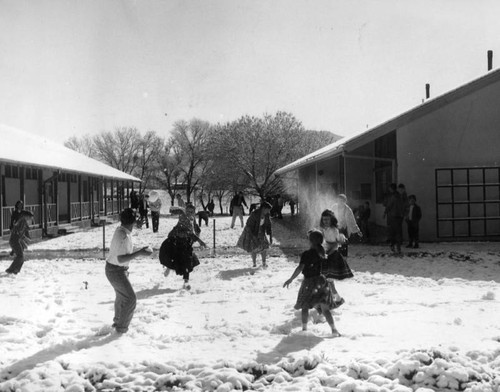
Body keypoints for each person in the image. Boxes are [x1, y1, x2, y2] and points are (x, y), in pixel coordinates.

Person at [283, 229, 343, 337]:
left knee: (305, 306)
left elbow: (300, 268)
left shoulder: (306, 254)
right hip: (321, 282)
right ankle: (334, 330)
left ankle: (304, 330)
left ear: (310, 241)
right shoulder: (322, 253)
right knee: (325, 309)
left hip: (309, 283)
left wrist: (291, 279)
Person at [105, 208, 153, 334]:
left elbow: (124, 250)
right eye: (136, 219)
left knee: (122, 297)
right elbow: (121, 259)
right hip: (116, 271)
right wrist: (141, 253)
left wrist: (140, 249)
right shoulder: (124, 236)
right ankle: (121, 329)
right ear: (132, 222)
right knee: (130, 299)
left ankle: (117, 322)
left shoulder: (121, 230)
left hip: (114, 269)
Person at [159, 203, 207, 289]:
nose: (189, 213)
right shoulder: (183, 217)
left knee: (187, 262)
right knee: (176, 258)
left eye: (191, 212)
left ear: (194, 213)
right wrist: (200, 241)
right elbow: (188, 232)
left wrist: (197, 231)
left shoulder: (192, 218)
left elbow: (194, 228)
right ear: (185, 211)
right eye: (188, 211)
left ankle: (186, 282)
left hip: (186, 243)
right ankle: (169, 268)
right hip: (177, 241)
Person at [319, 209, 353, 279]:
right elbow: (324, 240)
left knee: (331, 272)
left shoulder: (334, 230)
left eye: (327, 219)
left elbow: (336, 243)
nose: (325, 221)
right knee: (324, 270)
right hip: (327, 248)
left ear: (331, 220)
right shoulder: (324, 229)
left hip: (333, 251)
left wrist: (329, 252)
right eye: (324, 219)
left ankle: (331, 283)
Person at [236, 201, 272, 268]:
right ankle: (254, 264)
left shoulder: (267, 215)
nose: (268, 211)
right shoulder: (255, 214)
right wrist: (253, 235)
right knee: (254, 248)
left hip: (261, 231)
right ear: (263, 208)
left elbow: (268, 223)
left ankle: (264, 263)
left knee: (264, 247)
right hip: (252, 232)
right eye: (268, 210)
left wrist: (269, 231)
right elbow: (249, 224)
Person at [5, 210, 33, 274]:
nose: (30, 219)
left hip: (16, 240)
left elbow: (19, 234)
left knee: (21, 256)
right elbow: (18, 233)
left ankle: (16, 270)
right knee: (20, 256)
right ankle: (11, 269)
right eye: (30, 217)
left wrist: (23, 242)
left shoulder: (23, 222)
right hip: (14, 240)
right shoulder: (22, 221)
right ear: (26, 216)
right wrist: (25, 240)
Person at [384, 183, 405, 253]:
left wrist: (385, 212)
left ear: (391, 188)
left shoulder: (393, 197)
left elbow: (389, 206)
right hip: (399, 216)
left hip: (393, 216)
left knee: (393, 232)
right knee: (398, 232)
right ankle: (398, 247)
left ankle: (393, 245)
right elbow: (402, 206)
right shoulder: (400, 196)